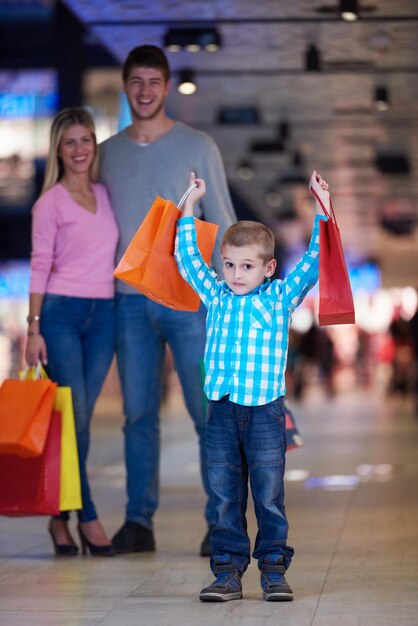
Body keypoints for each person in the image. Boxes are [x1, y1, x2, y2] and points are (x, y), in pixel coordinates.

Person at [99, 45, 236, 557]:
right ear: (125, 85)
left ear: (167, 84)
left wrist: (230, 294)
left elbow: (219, 219)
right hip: (128, 301)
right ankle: (138, 521)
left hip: (189, 301)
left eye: (154, 81)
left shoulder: (198, 145)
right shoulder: (107, 153)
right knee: (137, 415)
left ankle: (221, 521)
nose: (145, 90)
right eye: (136, 81)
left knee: (207, 413)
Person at [174, 170, 330, 601]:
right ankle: (227, 571)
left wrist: (320, 209)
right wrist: (190, 204)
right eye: (229, 264)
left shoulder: (280, 297)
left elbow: (315, 261)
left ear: (269, 267)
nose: (236, 274)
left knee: (269, 493)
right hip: (221, 410)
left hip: (264, 412)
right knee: (224, 494)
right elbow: (187, 260)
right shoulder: (216, 295)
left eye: (247, 266)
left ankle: (274, 568)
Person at [25, 107, 119, 557]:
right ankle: (88, 515)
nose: (79, 150)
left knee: (77, 420)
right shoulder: (50, 203)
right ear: (58, 150)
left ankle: (59, 518)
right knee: (76, 416)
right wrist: (33, 328)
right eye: (70, 142)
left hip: (104, 315)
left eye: (86, 140)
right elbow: (40, 265)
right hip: (60, 314)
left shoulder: (105, 193)